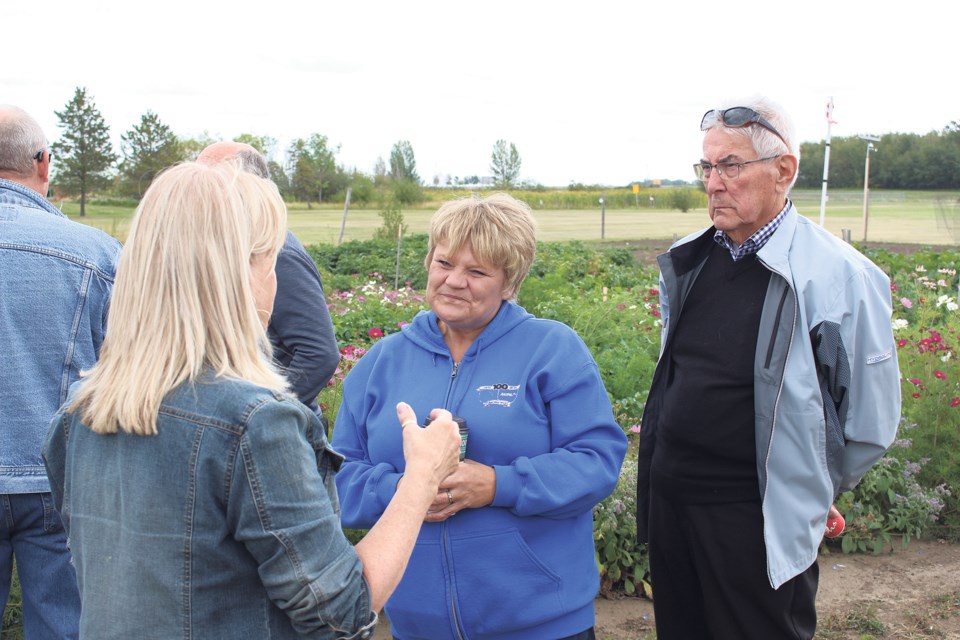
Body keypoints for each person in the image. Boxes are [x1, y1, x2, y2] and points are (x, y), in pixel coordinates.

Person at [42, 162, 462, 639]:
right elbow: (341, 613)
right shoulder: (255, 425)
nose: (276, 281)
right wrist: (423, 477)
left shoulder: (79, 413)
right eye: (271, 261)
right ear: (237, 274)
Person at [635, 97, 901, 639]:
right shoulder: (688, 259)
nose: (713, 183)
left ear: (784, 171)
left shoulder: (841, 277)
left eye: (730, 166)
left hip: (757, 523)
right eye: (706, 167)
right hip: (673, 506)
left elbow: (871, 423)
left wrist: (806, 490)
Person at [332, 193, 628, 640]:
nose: (454, 281)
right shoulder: (381, 363)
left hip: (542, 624)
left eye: (476, 271)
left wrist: (496, 485)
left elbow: (596, 461)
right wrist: (407, 489)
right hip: (417, 624)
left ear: (509, 283)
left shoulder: (551, 351)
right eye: (445, 263)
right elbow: (337, 480)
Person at [0, 105, 121, 639]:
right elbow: (129, 367)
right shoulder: (95, 253)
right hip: (63, 476)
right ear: (43, 164)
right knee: (68, 628)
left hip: (61, 475)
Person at [198, 141, 339, 417]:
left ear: (248, 186)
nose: (197, 186)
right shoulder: (231, 243)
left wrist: (264, 415)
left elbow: (319, 354)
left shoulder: (276, 252)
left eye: (212, 178)